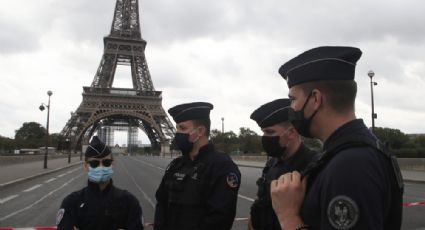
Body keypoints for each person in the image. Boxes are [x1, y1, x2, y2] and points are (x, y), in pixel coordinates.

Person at [270, 46, 404, 230]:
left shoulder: (351, 165)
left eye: (293, 100)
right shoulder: (349, 154)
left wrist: (289, 217)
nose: (291, 108)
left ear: (315, 99)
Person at [154, 102, 241, 230]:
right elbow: (161, 203)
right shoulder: (176, 165)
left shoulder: (222, 166)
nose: (177, 133)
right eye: (177, 128)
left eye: (182, 128)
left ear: (200, 131)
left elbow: (219, 219)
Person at [248, 98, 319, 230]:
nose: (265, 138)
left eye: (270, 132)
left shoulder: (314, 166)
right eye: (263, 132)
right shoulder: (271, 163)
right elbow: (258, 207)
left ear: (291, 133)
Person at [56, 136, 144, 230]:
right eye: (94, 163)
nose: (101, 167)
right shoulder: (71, 202)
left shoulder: (130, 201)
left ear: (112, 164)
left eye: (106, 162)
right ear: (86, 166)